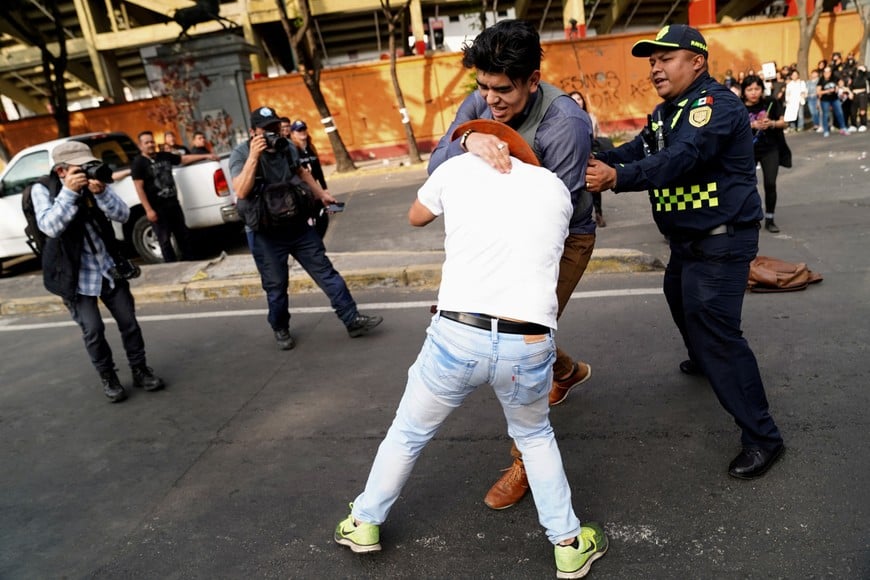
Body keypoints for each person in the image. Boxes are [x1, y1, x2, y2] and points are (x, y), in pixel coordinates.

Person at [334, 120, 608, 579]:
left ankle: (363, 523)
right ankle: (568, 544)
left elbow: (416, 216)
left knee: (408, 433)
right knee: (535, 436)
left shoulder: (458, 170)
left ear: (485, 143)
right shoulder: (555, 188)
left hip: (457, 333)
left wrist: (461, 156)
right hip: (529, 339)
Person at [585, 24, 785, 480]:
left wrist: (618, 179)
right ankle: (701, 355)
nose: (655, 67)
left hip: (722, 238)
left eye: (665, 57)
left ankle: (763, 437)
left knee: (717, 333)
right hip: (688, 242)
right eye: (651, 60)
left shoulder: (713, 107)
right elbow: (635, 149)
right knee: (679, 298)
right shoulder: (666, 113)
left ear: (697, 61)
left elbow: (681, 158)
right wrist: (592, 151)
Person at [428, 19, 596, 511]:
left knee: (522, 335)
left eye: (502, 89)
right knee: (508, 331)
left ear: (532, 80)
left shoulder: (564, 124)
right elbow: (436, 166)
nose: (490, 101)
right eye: (482, 87)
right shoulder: (482, 99)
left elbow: (550, 217)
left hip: (562, 241)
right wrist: (466, 141)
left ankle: (525, 457)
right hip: (497, 232)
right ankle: (566, 371)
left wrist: (486, 287)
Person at [228, 106, 382, 349]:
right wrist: (254, 157)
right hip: (266, 234)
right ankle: (280, 328)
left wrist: (322, 194)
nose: (272, 134)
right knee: (276, 286)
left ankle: (352, 320)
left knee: (326, 273)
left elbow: (302, 171)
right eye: (266, 130)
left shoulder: (287, 146)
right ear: (252, 132)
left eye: (275, 128)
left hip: (297, 226)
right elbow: (241, 190)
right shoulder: (241, 154)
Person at [31, 141, 164, 403]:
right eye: (80, 168)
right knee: (92, 329)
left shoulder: (95, 182)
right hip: (73, 274)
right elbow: (49, 227)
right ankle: (108, 377)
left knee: (129, 322)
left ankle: (140, 370)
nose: (87, 171)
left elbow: (124, 215)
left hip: (107, 266)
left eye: (87, 165)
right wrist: (69, 193)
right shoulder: (42, 189)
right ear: (61, 171)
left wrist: (101, 193)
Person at [131, 130, 218, 262]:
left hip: (173, 204)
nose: (150, 144)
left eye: (152, 141)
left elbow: (183, 159)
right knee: (165, 240)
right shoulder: (138, 163)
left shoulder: (164, 156)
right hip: (157, 208)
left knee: (183, 236)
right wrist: (148, 210)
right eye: (146, 142)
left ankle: (190, 263)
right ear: (140, 146)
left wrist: (206, 156)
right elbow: (139, 187)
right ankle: (172, 267)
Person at [743, 74, 789, 233]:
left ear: (762, 89)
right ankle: (750, 218)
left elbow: (785, 122)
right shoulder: (739, 106)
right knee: (747, 186)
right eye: (749, 89)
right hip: (748, 151)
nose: (753, 92)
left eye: (757, 88)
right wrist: (752, 124)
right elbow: (733, 127)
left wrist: (772, 123)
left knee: (770, 184)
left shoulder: (771, 102)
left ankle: (770, 219)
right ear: (744, 91)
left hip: (770, 149)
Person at [569, 90, 609, 226]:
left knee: (594, 184)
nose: (577, 101)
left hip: (590, 153)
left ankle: (598, 213)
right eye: (573, 99)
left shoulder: (590, 117)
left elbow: (596, 134)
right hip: (574, 155)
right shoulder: (566, 119)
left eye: (579, 99)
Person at [289, 119, 330, 237]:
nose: (302, 132)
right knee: (308, 219)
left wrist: (324, 188)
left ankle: (318, 240)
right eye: (299, 130)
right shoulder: (293, 150)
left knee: (323, 216)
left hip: (315, 189)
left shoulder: (311, 148)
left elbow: (318, 170)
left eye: (303, 129)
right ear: (293, 133)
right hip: (303, 191)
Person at [817, 66, 848, 137]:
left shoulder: (834, 78)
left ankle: (843, 128)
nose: (827, 73)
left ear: (830, 72)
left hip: (835, 99)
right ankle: (826, 130)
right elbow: (818, 92)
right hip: (825, 100)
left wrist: (838, 87)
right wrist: (827, 91)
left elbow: (841, 83)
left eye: (828, 72)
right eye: (825, 72)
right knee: (825, 115)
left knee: (840, 113)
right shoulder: (821, 80)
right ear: (823, 73)